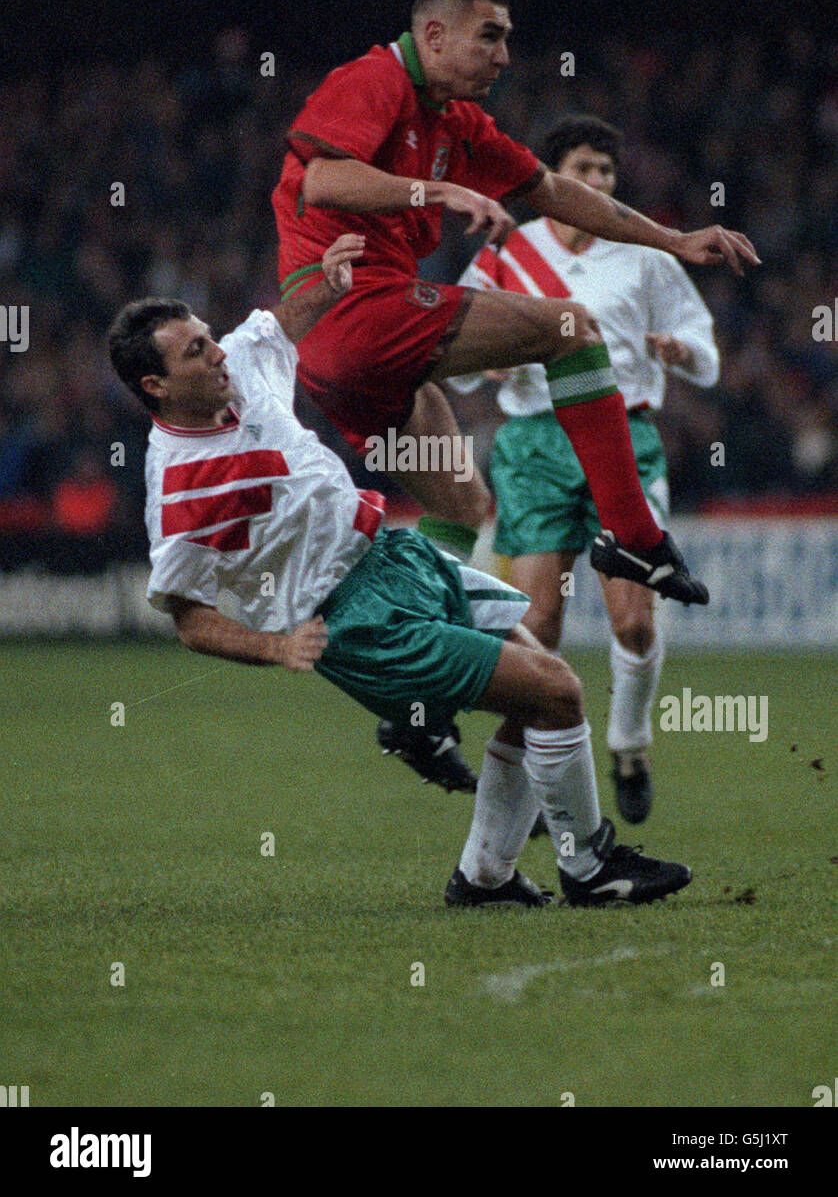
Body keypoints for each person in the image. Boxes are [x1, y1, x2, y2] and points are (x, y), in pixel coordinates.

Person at [106, 233, 693, 908]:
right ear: (154, 385)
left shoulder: (238, 363)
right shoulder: (179, 488)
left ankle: (484, 878)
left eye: (207, 337)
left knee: (538, 697)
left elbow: (281, 323)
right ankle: (590, 868)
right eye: (195, 351)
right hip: (358, 623)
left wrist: (326, 284)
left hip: (395, 554)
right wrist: (273, 646)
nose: (217, 352)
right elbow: (188, 619)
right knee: (555, 692)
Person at [272, 0, 756, 785]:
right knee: (570, 328)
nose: (505, 52)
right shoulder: (373, 80)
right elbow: (323, 178)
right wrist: (438, 188)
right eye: (488, 34)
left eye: (507, 36)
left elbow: (552, 190)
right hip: (351, 314)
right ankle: (636, 540)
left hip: (353, 364)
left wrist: (674, 241)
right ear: (434, 37)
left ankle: (413, 711)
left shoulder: (457, 120)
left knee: (461, 507)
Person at [450, 115, 720, 823]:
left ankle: (629, 740)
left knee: (632, 621)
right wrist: (490, 359)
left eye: (606, 171)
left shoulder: (644, 252)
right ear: (552, 176)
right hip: (535, 445)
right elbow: (455, 345)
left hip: (622, 437)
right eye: (584, 169)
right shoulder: (507, 248)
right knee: (538, 624)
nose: (597, 181)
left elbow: (707, 349)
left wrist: (681, 352)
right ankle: (545, 787)